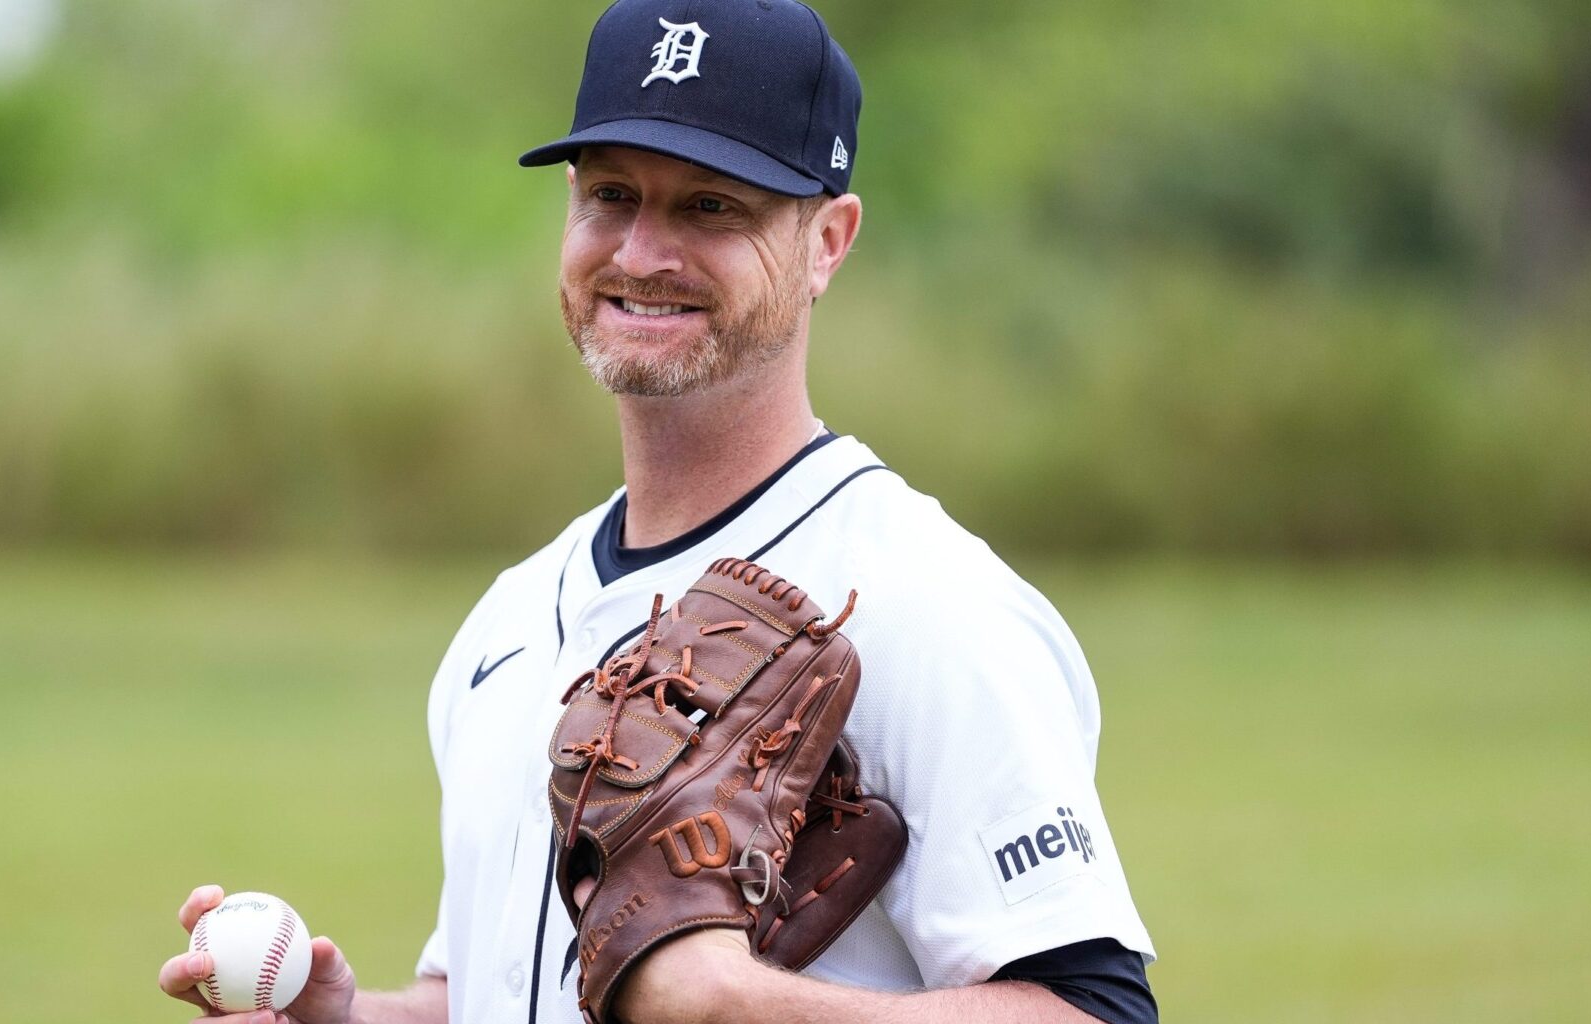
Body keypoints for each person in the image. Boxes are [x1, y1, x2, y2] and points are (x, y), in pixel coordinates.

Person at [159, 1, 1157, 1022]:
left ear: (828, 241)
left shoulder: (927, 603)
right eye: (612, 195)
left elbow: (1098, 1011)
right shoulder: (505, 624)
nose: (642, 252)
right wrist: (349, 1016)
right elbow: (493, 991)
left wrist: (732, 1002)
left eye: (711, 207)